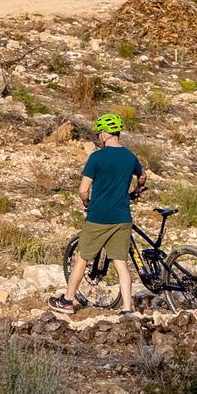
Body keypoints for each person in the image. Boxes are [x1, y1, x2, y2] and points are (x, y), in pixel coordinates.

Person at [51, 113, 145, 315]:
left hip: (98, 217)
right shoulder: (130, 156)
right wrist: (136, 191)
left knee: (82, 258)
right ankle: (127, 308)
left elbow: (83, 190)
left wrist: (87, 203)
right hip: (122, 218)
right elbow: (143, 176)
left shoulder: (96, 157)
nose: (99, 136)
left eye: (99, 133)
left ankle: (67, 301)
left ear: (105, 134)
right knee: (121, 263)